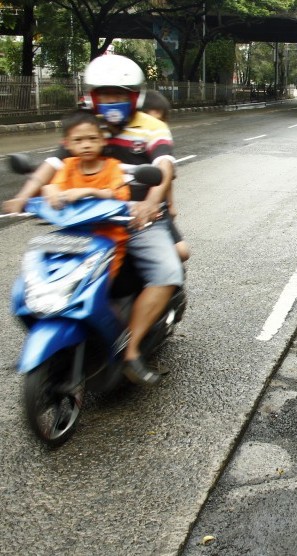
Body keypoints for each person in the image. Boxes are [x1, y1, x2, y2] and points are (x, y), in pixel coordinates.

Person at [2, 54, 183, 386]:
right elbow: (55, 164)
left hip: (137, 218)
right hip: (85, 220)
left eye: (119, 94)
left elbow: (165, 169)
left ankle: (130, 351)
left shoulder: (152, 127)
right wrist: (26, 194)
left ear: (134, 96)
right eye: (105, 94)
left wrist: (150, 205)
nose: (111, 101)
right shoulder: (86, 127)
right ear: (92, 96)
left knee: (167, 272)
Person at [42, 110, 131, 277]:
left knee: (98, 281)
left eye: (92, 139)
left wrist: (89, 191)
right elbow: (55, 186)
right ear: (67, 144)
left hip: (109, 239)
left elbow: (120, 194)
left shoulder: (112, 166)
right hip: (76, 236)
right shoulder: (68, 165)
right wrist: (50, 190)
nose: (86, 145)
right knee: (39, 254)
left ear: (103, 141)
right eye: (78, 140)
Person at [141, 90, 190, 263]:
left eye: (160, 121)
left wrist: (170, 206)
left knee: (182, 252)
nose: (156, 125)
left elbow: (168, 179)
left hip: (158, 210)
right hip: (131, 211)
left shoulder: (160, 147)